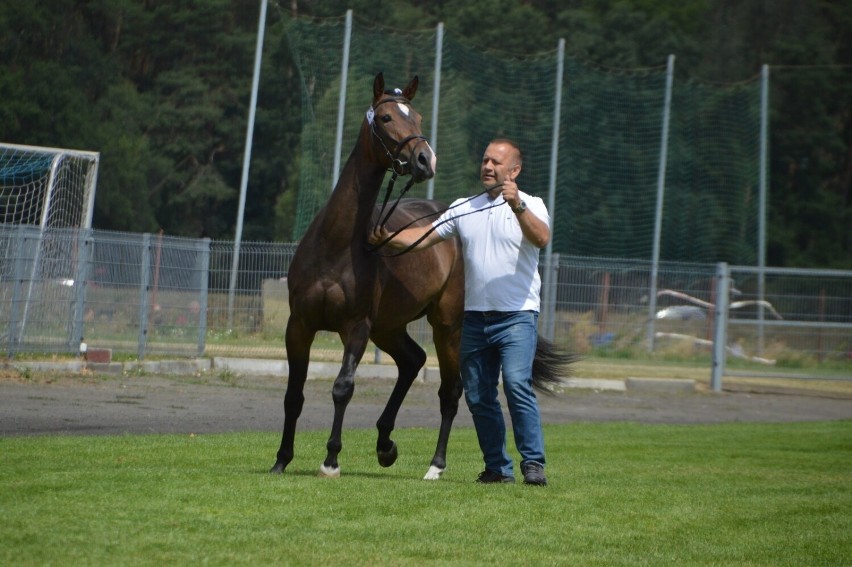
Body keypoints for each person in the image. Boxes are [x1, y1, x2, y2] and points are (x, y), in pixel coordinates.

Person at [369, 138, 551, 486]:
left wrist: (518, 208)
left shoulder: (532, 205)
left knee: (516, 385)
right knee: (479, 396)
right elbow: (426, 236)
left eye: (496, 162)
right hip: (475, 320)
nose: (487, 166)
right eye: (485, 160)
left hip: (516, 317)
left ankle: (533, 463)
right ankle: (497, 468)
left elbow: (541, 238)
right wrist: (390, 238)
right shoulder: (465, 207)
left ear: (514, 170)